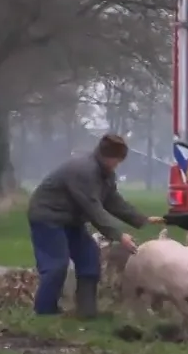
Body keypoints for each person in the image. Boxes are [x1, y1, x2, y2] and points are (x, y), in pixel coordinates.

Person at [25, 134, 160, 318]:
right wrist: (119, 236)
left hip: (71, 220)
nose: (118, 164)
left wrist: (141, 219)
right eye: (118, 160)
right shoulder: (84, 171)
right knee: (56, 265)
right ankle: (44, 311)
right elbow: (93, 208)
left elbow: (112, 201)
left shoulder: (106, 173)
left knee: (89, 258)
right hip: (48, 216)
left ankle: (86, 312)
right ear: (109, 156)